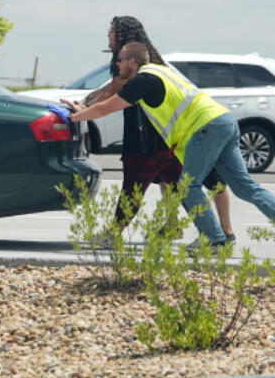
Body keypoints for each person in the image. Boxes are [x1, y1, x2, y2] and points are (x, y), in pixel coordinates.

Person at [69, 41, 275, 248]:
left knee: (188, 186)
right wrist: (84, 106)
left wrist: (77, 116)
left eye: (120, 60)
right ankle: (218, 237)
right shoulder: (160, 71)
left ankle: (214, 240)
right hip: (223, 119)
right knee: (245, 187)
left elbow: (106, 108)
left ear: (132, 62)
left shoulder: (142, 80)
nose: (116, 64)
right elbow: (107, 94)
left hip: (205, 127)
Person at [73, 16, 233, 241]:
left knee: (135, 186)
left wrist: (82, 107)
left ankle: (113, 234)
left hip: (147, 136)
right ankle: (195, 230)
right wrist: (85, 102)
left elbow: (113, 90)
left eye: (111, 30)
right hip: (163, 136)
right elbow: (111, 86)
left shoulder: (135, 66)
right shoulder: (141, 60)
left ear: (123, 37)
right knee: (178, 185)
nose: (108, 34)